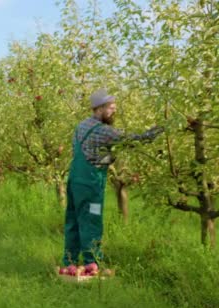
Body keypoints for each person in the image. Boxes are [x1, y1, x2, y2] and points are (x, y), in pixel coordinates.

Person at [60, 89, 163, 276]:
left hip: (75, 181)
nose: (114, 110)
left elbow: (89, 153)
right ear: (99, 108)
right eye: (110, 107)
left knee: (73, 221)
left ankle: (69, 262)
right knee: (92, 222)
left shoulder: (81, 126)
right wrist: (158, 130)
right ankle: (93, 264)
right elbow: (135, 140)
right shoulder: (104, 131)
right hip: (90, 186)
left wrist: (108, 158)